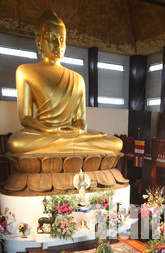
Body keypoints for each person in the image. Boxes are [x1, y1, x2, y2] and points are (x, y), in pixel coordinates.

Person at [8, 10, 122, 156]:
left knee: (115, 143)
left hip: (70, 135)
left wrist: (79, 130)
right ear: (39, 41)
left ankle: (68, 146)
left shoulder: (77, 78)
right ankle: (70, 147)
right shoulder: (25, 71)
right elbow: (25, 117)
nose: (58, 44)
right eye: (51, 38)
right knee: (16, 143)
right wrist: (49, 130)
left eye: (62, 39)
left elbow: (80, 119)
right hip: (45, 133)